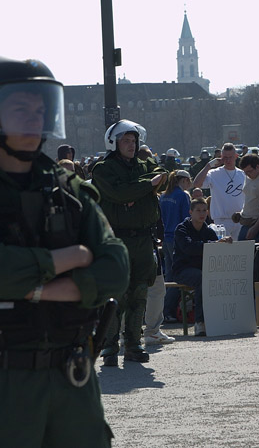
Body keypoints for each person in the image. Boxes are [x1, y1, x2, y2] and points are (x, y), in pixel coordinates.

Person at [0, 56, 129, 447]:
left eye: (40, 109)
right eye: (20, 109)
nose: (34, 120)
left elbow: (116, 267)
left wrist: (34, 286)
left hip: (75, 378)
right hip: (2, 383)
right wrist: (73, 259)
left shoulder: (71, 191)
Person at [92, 119, 167, 367]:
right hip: (117, 238)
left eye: (134, 140)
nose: (131, 145)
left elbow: (162, 178)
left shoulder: (144, 164)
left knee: (139, 294)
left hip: (143, 239)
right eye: (126, 140)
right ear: (114, 142)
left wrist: (135, 190)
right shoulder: (103, 168)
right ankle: (110, 346)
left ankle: (134, 344)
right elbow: (118, 193)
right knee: (116, 295)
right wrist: (143, 187)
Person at [172, 197, 230, 336]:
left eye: (204, 210)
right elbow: (188, 248)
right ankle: (200, 323)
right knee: (202, 279)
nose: (202, 213)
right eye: (198, 210)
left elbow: (216, 251)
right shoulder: (181, 229)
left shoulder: (209, 231)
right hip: (182, 270)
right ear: (190, 212)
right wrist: (214, 244)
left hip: (204, 270)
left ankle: (222, 320)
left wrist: (226, 243)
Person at [193, 142, 245, 239]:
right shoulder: (214, 173)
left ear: (236, 156)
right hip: (221, 221)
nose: (228, 160)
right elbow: (197, 184)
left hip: (240, 220)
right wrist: (208, 165)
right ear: (221, 157)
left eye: (231, 157)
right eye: (225, 157)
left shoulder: (242, 174)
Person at [159, 170, 192, 324]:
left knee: (169, 277)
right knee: (177, 277)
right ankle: (168, 310)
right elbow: (187, 219)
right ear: (184, 180)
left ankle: (164, 311)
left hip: (165, 239)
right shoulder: (182, 195)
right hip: (176, 240)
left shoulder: (164, 196)